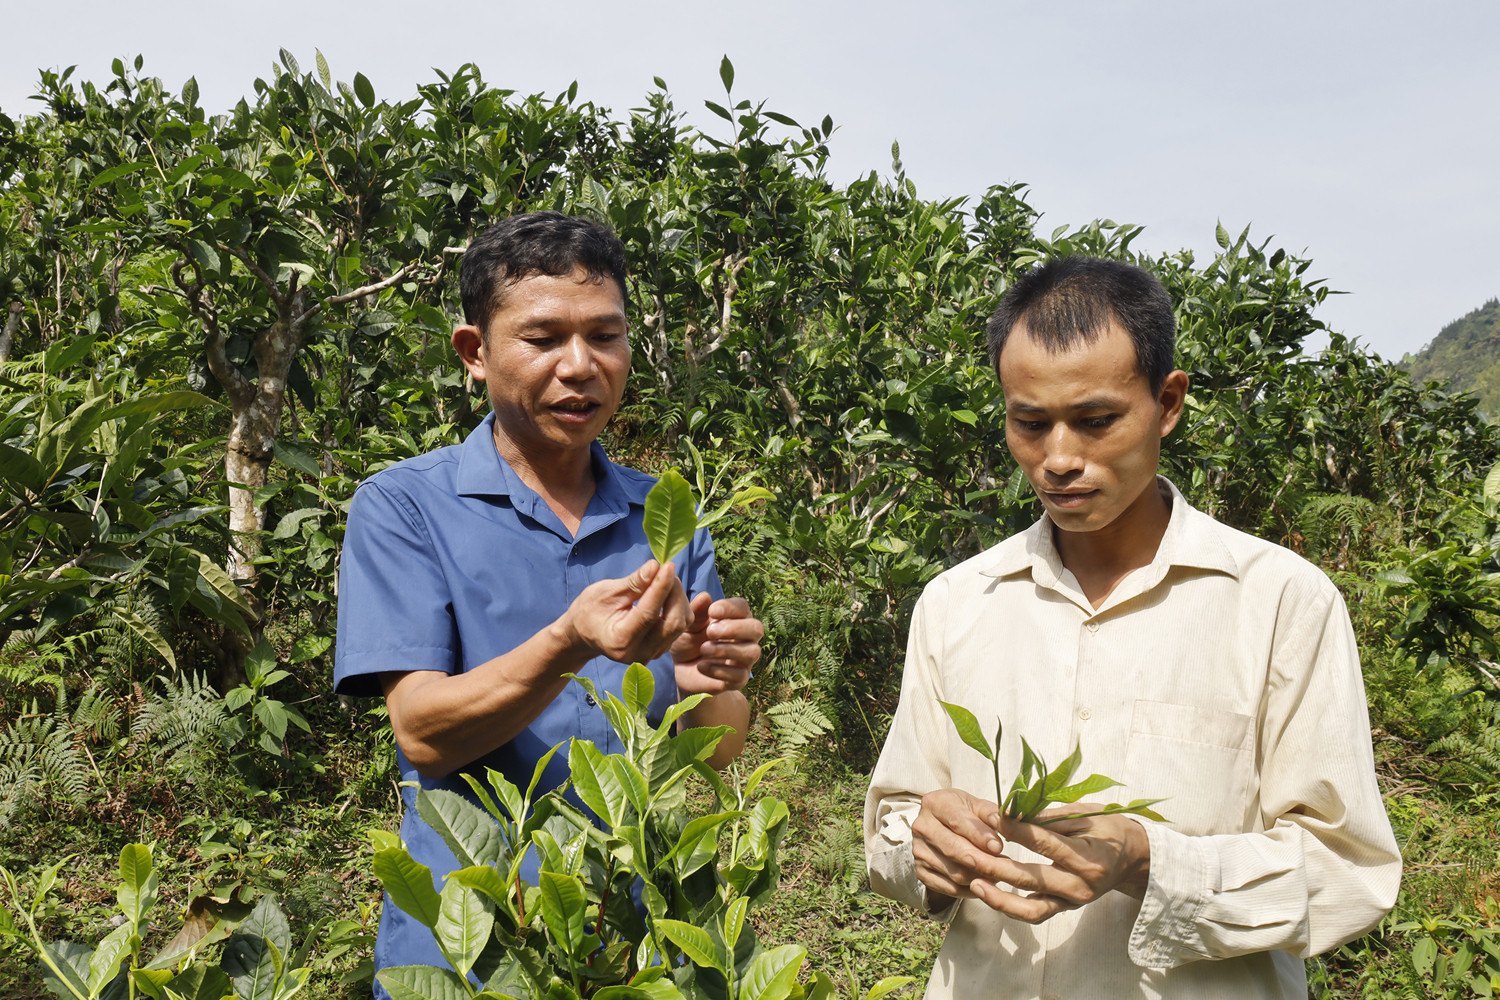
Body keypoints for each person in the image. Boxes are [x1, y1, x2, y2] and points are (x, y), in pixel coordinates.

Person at [864, 257, 1400, 999]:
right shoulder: (958, 603)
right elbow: (892, 828)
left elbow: (1349, 870)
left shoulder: (1281, 602)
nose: (1058, 460)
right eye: (1030, 423)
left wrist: (1151, 860)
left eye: (1095, 421)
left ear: (1168, 402)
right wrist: (925, 842)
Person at [334, 211, 761, 994]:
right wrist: (570, 641)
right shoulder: (405, 508)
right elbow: (424, 734)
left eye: (605, 336)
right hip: (474, 941)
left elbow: (722, 745)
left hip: (638, 934)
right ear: (475, 352)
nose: (581, 366)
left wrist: (713, 680)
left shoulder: (663, 516)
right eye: (542, 339)